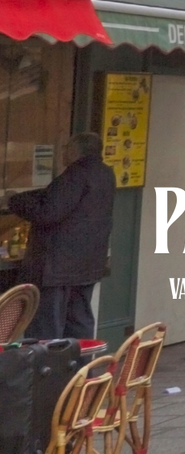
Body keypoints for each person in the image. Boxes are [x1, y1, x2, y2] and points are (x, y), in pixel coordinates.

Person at [7, 132, 115, 339]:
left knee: (48, 327)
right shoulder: (105, 173)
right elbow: (57, 199)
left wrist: (16, 202)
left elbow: (49, 212)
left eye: (66, 148)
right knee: (79, 322)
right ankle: (81, 368)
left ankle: (49, 370)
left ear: (74, 150)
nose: (63, 152)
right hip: (87, 264)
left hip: (58, 268)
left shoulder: (75, 175)